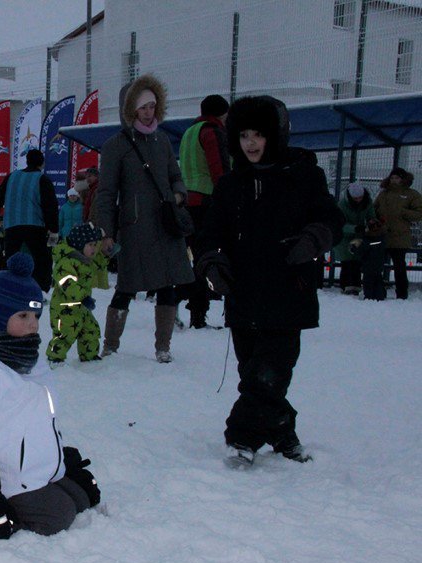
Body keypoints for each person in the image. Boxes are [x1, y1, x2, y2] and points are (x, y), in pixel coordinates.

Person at [195, 95, 343, 467]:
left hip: (288, 291)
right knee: (253, 372)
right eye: (244, 135)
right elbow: (210, 233)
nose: (251, 143)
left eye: (258, 135)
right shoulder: (230, 184)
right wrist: (213, 263)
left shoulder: (303, 175)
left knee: (271, 370)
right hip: (243, 292)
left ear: (274, 135)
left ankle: (241, 436)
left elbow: (330, 219)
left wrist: (312, 239)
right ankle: (281, 430)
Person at [0, 253, 101, 539]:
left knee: (82, 498)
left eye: (36, 316)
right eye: (23, 316)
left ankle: (49, 477)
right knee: (58, 516)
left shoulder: (27, 357)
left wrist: (60, 456)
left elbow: (41, 415)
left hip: (37, 469)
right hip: (7, 477)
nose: (33, 324)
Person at [94, 74, 194, 363]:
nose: (149, 112)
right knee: (126, 287)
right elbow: (106, 193)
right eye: (142, 107)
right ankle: (110, 345)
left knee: (167, 285)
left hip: (166, 225)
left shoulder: (162, 141)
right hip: (136, 228)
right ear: (130, 110)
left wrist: (178, 194)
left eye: (152, 106)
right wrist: (105, 232)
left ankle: (163, 347)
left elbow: (175, 175)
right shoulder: (116, 145)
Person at [179, 94, 231, 328]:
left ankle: (194, 311)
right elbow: (219, 169)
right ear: (221, 114)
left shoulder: (189, 133)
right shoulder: (212, 131)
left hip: (188, 204)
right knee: (208, 258)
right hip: (207, 203)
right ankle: (199, 313)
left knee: (196, 257)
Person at [0, 148, 59, 292]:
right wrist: (53, 230)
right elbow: (50, 206)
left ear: (27, 161)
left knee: (11, 260)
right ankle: (40, 291)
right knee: (41, 261)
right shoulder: (42, 179)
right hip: (35, 227)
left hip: (12, 226)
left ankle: (10, 289)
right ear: (42, 163)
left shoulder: (11, 177)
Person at [46, 223, 109, 366]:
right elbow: (66, 281)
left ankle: (89, 356)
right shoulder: (67, 261)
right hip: (64, 308)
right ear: (79, 245)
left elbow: (99, 264)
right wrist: (83, 297)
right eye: (90, 245)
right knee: (65, 333)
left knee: (91, 330)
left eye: (95, 245)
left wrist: (107, 254)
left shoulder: (86, 261)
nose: (94, 248)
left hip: (81, 308)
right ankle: (54, 358)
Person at [374, 167, 422, 300]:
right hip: (382, 235)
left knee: (399, 267)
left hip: (400, 237)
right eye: (392, 178)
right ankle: (378, 291)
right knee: (377, 265)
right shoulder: (383, 194)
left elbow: (419, 213)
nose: (394, 180)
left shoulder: (412, 194)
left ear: (403, 179)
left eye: (397, 178)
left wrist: (403, 212)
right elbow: (374, 210)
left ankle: (402, 294)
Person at [334, 182, 376, 296]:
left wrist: (372, 222)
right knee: (347, 262)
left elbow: (371, 216)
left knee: (357, 262)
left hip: (359, 236)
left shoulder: (367, 202)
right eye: (355, 198)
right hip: (344, 237)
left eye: (360, 197)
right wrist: (355, 228)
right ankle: (346, 285)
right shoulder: (342, 205)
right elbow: (340, 224)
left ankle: (355, 286)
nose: (358, 200)